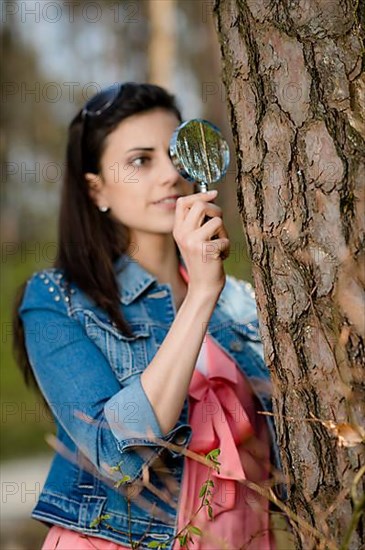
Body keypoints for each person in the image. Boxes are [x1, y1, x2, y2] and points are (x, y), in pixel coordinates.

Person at [13, 82, 283, 549]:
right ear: (95, 188)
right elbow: (117, 455)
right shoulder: (59, 299)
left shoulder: (242, 302)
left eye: (176, 153)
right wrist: (200, 295)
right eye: (142, 160)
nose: (170, 175)